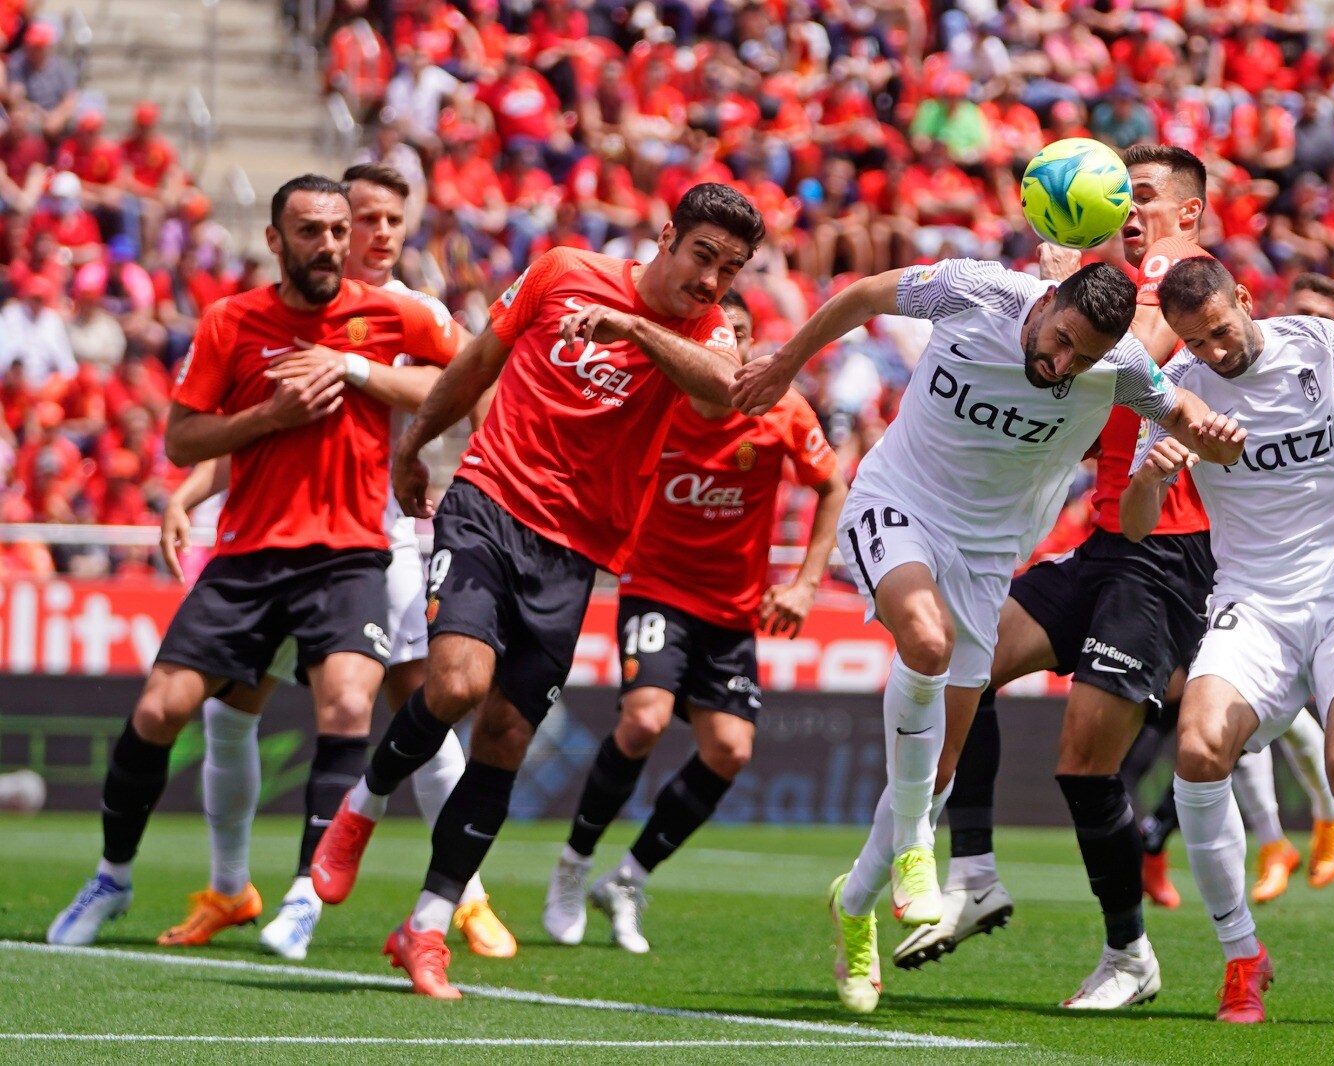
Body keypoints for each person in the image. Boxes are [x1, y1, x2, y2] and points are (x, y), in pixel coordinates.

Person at [731, 256, 1246, 1014]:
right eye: (1062, 340)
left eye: (1084, 358)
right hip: (896, 503)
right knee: (925, 643)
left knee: (939, 764)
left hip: (983, 556)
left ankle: (854, 904)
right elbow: (866, 293)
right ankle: (915, 850)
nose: (1062, 364)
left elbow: (1187, 420)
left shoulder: (1126, 365)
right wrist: (785, 364)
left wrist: (1217, 439)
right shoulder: (977, 290)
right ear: (1047, 302)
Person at [308, 183, 765, 999]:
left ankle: (426, 928)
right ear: (666, 236)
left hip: (575, 552)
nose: (712, 282)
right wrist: (414, 446)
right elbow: (478, 360)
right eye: (703, 257)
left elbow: (719, 391)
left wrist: (636, 330)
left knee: (507, 738)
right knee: (457, 682)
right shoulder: (562, 270)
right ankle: (363, 806)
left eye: (730, 271)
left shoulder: (700, 334)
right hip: (490, 501)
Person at [46, 174, 458, 947]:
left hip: (350, 554)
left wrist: (355, 370)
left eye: (339, 231)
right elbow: (182, 439)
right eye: (311, 231)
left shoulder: (387, 312)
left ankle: (303, 894)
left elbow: (460, 375)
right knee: (161, 710)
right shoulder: (230, 322)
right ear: (276, 241)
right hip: (248, 554)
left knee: (346, 707)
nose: (331, 245)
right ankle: (114, 875)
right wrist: (271, 414)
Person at [154, 165, 516, 961]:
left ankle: (465, 897)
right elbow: (256, 423)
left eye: (392, 219)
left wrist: (370, 388)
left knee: (415, 705)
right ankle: (227, 887)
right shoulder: (276, 311)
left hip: (379, 542)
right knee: (229, 710)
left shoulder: (409, 314)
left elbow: (476, 395)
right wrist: (188, 493)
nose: (377, 234)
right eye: (363, 218)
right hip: (271, 536)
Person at [895, 146, 1223, 1011]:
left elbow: (1132, 364)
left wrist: (1067, 284)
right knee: (971, 650)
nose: (1127, 214)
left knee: (1084, 764)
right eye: (1121, 199)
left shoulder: (1187, 283)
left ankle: (1129, 955)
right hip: (1108, 537)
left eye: (1142, 199)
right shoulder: (1111, 289)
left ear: (1187, 216)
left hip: (1168, 552)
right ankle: (972, 871)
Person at [1129, 255, 1334, 1026]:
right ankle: (1243, 960)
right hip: (1255, 601)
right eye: (1195, 342)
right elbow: (1135, 523)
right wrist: (1155, 474)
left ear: (1245, 299)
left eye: (1220, 332)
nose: (1214, 352)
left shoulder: (1321, 344)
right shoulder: (1178, 393)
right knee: (1201, 751)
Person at [543, 290, 847, 954]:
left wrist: (805, 583)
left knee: (730, 750)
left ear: (748, 343)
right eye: (712, 333)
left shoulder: (782, 409)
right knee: (644, 719)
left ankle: (628, 877)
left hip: (732, 611)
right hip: (654, 589)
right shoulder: (658, 398)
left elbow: (830, 485)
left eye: (735, 333)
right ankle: (573, 864)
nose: (723, 345)